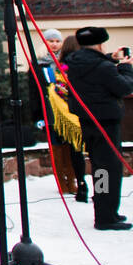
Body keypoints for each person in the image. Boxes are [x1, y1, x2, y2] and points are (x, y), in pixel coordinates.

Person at [64, 27, 133, 231]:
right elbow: (124, 88)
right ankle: (105, 217)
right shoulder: (103, 67)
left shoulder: (74, 63)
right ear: (100, 43)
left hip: (88, 122)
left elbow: (92, 65)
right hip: (106, 123)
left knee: (100, 167)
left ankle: (108, 212)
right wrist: (125, 67)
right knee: (108, 170)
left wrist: (110, 59)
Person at [33, 29, 87, 200]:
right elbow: (34, 92)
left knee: (71, 147)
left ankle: (73, 180)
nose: (54, 44)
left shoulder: (66, 62)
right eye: (51, 41)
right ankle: (61, 182)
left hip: (67, 111)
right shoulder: (39, 64)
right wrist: (37, 116)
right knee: (56, 147)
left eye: (57, 41)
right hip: (49, 111)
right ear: (45, 43)